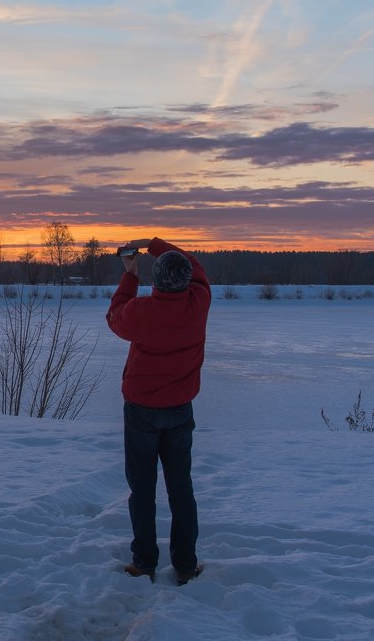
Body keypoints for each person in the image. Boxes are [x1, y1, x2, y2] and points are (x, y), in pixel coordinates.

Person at [106, 237, 211, 585]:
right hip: (180, 410)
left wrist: (130, 274)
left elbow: (115, 317)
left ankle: (145, 562)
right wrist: (156, 244)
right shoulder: (199, 303)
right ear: (185, 281)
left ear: (157, 282)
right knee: (181, 488)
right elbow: (194, 264)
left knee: (142, 488)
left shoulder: (141, 312)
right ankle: (184, 565)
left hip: (141, 411)